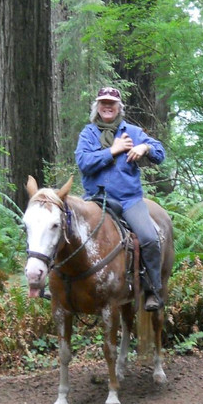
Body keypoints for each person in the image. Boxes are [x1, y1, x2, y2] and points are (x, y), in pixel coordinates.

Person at [75, 86, 167, 311]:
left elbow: (160, 153)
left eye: (112, 103)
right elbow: (84, 163)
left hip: (128, 200)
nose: (107, 106)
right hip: (95, 199)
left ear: (119, 107)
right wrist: (113, 151)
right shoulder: (88, 133)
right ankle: (61, 287)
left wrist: (145, 147)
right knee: (64, 230)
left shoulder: (133, 132)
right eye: (103, 103)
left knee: (149, 238)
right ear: (97, 107)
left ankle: (151, 290)